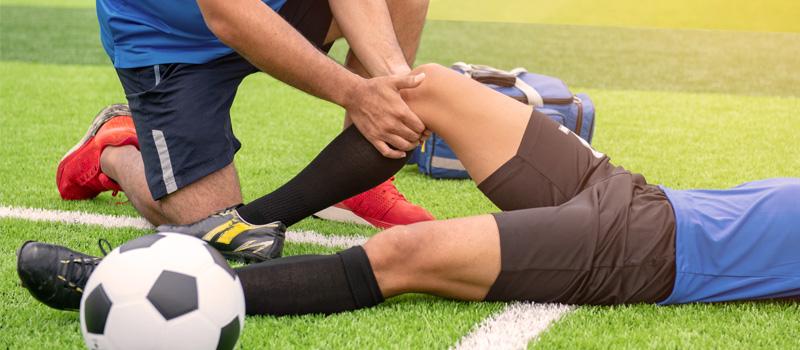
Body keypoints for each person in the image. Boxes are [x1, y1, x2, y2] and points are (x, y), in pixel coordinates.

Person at [19, 64, 800, 314]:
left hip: (648, 254)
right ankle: (232, 228)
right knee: (424, 90)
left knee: (408, 251)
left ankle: (131, 285)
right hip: (642, 198)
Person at [56, 0, 436, 259]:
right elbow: (229, 13)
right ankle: (114, 148)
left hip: (273, 6)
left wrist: (396, 85)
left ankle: (360, 188)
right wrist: (356, 94)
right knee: (213, 226)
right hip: (167, 37)